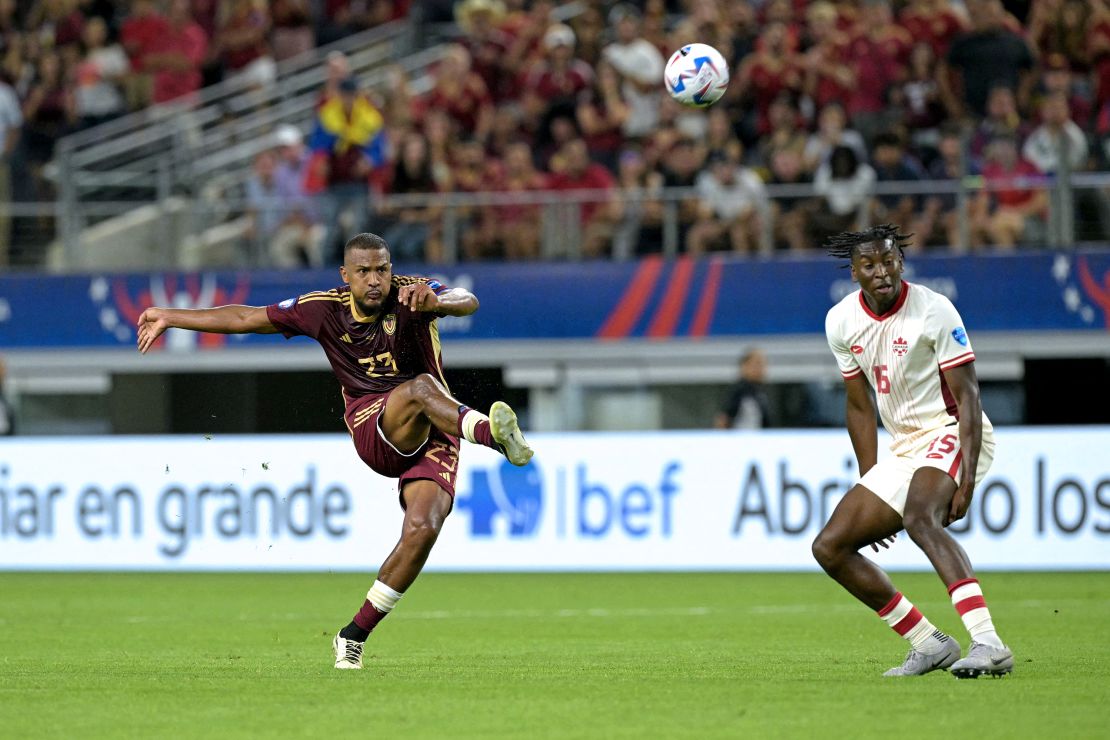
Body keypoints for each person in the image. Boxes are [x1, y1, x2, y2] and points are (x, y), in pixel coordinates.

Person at [135, 232, 534, 670]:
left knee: (424, 527)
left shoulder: (413, 293)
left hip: (438, 426)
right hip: (374, 426)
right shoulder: (322, 308)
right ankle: (494, 436)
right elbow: (246, 318)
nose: (376, 280)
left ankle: (352, 637)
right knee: (422, 387)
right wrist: (169, 316)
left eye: (382, 269)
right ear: (345, 276)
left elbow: (466, 298)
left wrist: (440, 302)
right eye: (363, 272)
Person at [812, 224, 1012, 679]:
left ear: (900, 262)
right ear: (855, 271)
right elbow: (860, 406)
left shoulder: (934, 310)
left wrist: (968, 478)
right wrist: (870, 478)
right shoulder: (840, 321)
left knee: (920, 517)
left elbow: (969, 397)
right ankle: (928, 643)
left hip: (951, 429)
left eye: (889, 261)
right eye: (869, 265)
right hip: (904, 446)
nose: (881, 272)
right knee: (830, 547)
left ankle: (989, 642)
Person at [714, 348, 770, 430]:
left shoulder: (759, 392)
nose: (761, 369)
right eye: (757, 364)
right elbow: (723, 419)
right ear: (744, 366)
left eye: (763, 365)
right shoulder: (739, 390)